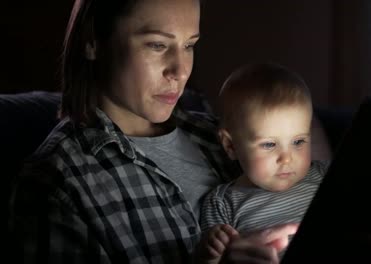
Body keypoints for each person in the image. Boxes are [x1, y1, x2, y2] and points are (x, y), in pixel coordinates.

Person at [8, 0, 297, 263]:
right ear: (93, 41)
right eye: (157, 45)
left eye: (189, 46)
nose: (180, 71)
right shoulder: (58, 181)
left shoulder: (219, 137)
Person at [195, 62, 326, 263]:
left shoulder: (325, 176)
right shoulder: (222, 203)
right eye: (269, 145)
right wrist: (212, 254)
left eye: (298, 141)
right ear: (230, 146)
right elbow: (216, 258)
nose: (287, 158)